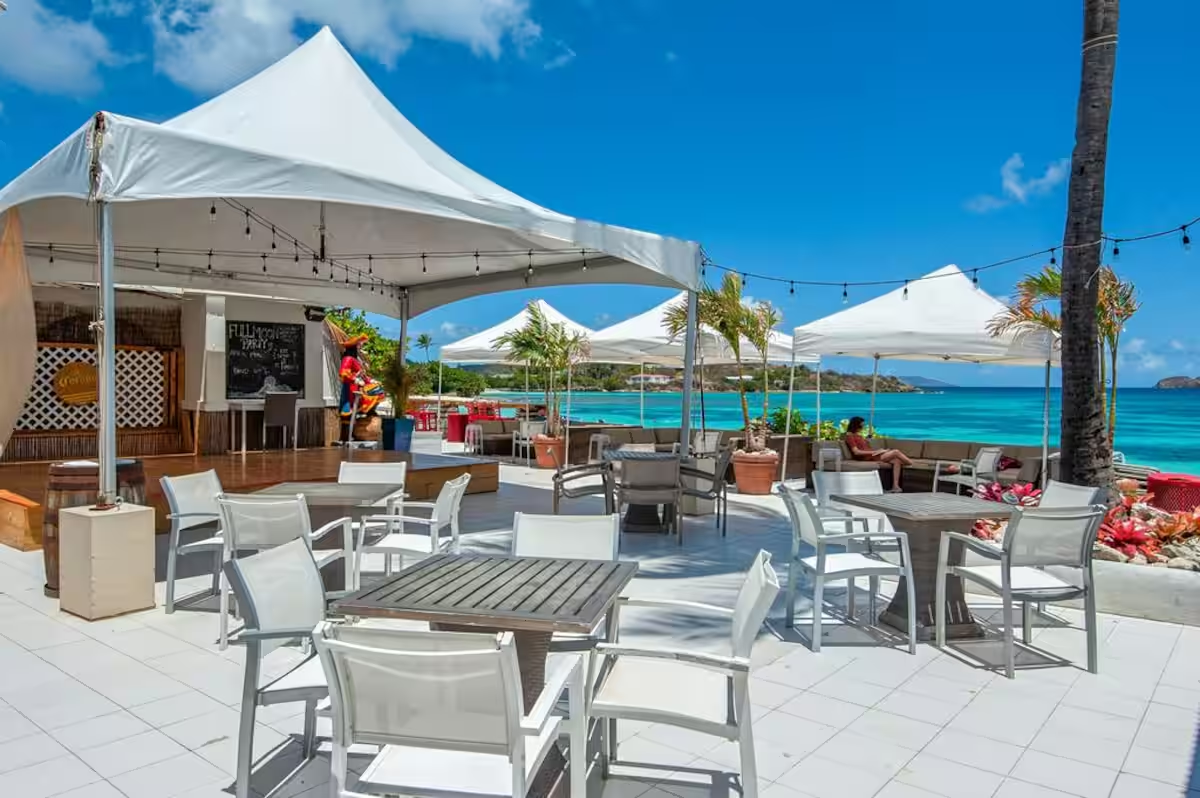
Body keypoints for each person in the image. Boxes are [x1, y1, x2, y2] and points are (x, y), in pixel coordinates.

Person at [845, 416, 911, 492]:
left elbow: (866, 449)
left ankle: (895, 486)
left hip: (874, 455)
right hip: (869, 457)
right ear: (856, 425)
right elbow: (856, 452)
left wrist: (879, 451)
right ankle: (911, 463)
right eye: (861, 425)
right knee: (896, 452)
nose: (862, 427)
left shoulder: (859, 436)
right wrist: (874, 452)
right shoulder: (850, 436)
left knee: (897, 461)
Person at [338, 334, 385, 442]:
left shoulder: (355, 360)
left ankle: (352, 435)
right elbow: (343, 373)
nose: (360, 347)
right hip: (350, 389)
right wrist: (355, 380)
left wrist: (370, 381)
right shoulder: (348, 358)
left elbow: (363, 375)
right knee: (347, 412)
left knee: (376, 391)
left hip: (357, 388)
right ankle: (345, 438)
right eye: (358, 345)